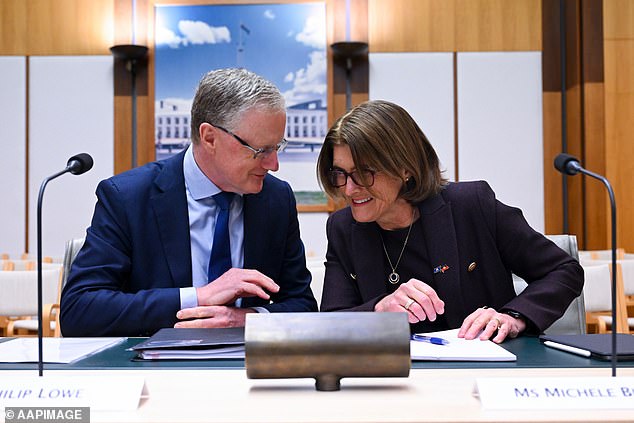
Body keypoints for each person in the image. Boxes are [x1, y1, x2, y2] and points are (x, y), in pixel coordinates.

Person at [61, 68, 318, 337]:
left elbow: (304, 306)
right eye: (261, 151)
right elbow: (79, 310)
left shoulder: (276, 199)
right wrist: (199, 297)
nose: (273, 165)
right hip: (157, 370)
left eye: (277, 147)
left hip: (249, 369)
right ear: (209, 138)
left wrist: (247, 319)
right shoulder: (128, 197)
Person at [316, 100, 584, 343]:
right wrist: (378, 309)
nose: (349, 189)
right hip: (394, 379)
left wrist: (513, 317)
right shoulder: (343, 228)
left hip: (485, 370)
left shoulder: (471, 205)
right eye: (340, 173)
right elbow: (331, 322)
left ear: (405, 168)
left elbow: (564, 270)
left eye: (363, 173)